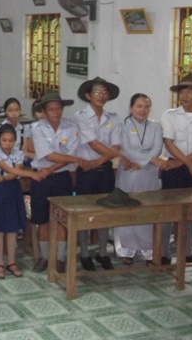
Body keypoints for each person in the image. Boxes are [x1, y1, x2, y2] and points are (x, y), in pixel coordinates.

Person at [74, 77, 124, 271]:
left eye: (104, 92)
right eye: (97, 92)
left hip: (104, 171)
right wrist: (107, 156)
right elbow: (93, 143)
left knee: (105, 212)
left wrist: (98, 162)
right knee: (85, 212)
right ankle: (85, 253)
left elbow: (116, 146)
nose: (101, 96)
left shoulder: (113, 118)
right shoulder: (81, 116)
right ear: (88, 95)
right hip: (86, 172)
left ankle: (102, 252)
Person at [30, 91, 83, 274]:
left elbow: (72, 154)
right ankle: (44, 257)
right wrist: (69, 160)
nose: (55, 112)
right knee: (42, 219)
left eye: (58, 108)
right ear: (44, 111)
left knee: (62, 220)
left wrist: (51, 169)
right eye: (51, 109)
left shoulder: (71, 127)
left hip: (61, 178)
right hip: (41, 178)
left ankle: (60, 258)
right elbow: (49, 155)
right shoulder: (37, 128)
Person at [115, 94, 165, 264]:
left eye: (146, 106)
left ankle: (149, 250)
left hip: (148, 174)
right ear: (131, 108)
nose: (143, 110)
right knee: (127, 210)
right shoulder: (123, 125)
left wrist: (143, 163)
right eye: (139, 106)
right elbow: (126, 149)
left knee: (147, 209)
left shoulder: (155, 126)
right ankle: (125, 250)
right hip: (129, 172)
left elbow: (157, 148)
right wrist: (149, 160)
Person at [0, 125, 41, 279]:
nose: (7, 143)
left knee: (12, 229)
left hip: (13, 190)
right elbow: (9, 169)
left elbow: (14, 173)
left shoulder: (18, 154)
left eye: (11, 140)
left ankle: (11, 262)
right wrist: (31, 174)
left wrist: (4, 178)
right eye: (4, 140)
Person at [160, 73, 192, 264]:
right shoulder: (170, 115)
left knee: (191, 212)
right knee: (168, 211)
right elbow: (168, 142)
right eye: (183, 91)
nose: (185, 95)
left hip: (189, 165)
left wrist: (187, 163)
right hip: (173, 168)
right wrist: (187, 163)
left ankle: (187, 250)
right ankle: (164, 252)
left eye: (190, 91)